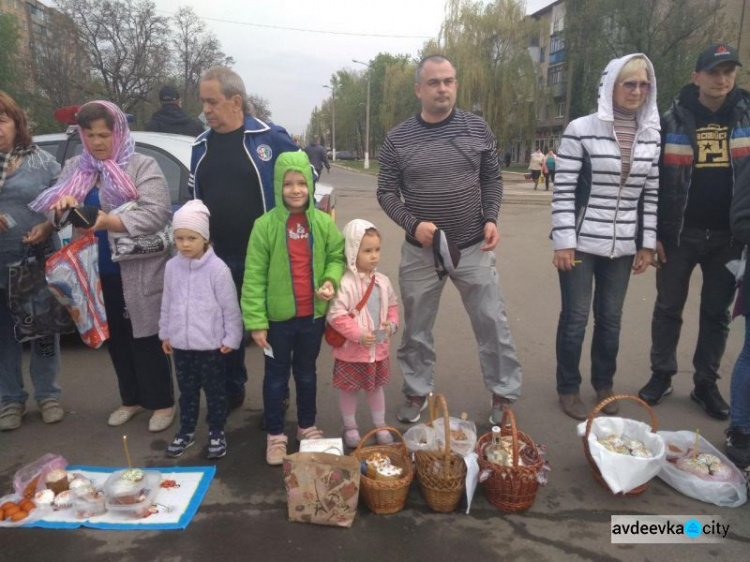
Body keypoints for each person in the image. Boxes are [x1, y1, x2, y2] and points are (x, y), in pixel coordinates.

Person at [377, 54, 523, 425]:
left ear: (455, 85)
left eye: (449, 81)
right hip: (421, 251)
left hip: (472, 244)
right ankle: (415, 390)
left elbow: (492, 179)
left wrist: (491, 217)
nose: (442, 88)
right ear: (418, 90)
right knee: (416, 328)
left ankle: (503, 394)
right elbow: (386, 193)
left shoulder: (477, 129)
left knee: (492, 321)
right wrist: (412, 224)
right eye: (434, 82)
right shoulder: (397, 139)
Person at [30, 100, 175, 432]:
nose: (97, 142)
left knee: (146, 337)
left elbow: (157, 212)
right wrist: (62, 207)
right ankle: (131, 399)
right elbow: (54, 212)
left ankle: (162, 403)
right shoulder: (75, 168)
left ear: (119, 133)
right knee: (116, 338)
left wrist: (109, 220)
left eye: (104, 134)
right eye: (91, 134)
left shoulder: (141, 165)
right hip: (95, 271)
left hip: (138, 270)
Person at [638, 44, 748, 420]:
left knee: (716, 314)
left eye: (729, 71)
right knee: (668, 308)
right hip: (679, 235)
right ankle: (662, 374)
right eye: (715, 72)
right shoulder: (671, 120)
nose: (722, 79)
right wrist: (651, 234)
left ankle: (705, 384)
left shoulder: (747, 118)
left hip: (730, 239)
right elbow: (651, 182)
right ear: (696, 77)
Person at [551, 54, 661, 420]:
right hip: (581, 243)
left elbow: (652, 192)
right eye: (629, 83)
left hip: (624, 245)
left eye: (643, 84)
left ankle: (604, 384)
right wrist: (563, 241)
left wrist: (646, 243)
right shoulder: (581, 129)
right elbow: (564, 190)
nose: (637, 91)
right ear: (611, 85)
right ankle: (568, 386)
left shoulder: (651, 133)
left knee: (611, 319)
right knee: (576, 317)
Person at [191, 66, 300, 412]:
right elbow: (196, 197)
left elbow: (304, 182)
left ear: (236, 101)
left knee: (272, 330)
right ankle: (231, 389)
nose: (206, 110)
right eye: (203, 102)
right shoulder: (201, 145)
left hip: (267, 257)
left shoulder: (271, 138)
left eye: (212, 102)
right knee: (227, 329)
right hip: (218, 257)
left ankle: (276, 391)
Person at [242, 151, 345, 465]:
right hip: (276, 322)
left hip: (311, 319)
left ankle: (306, 426)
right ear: (278, 186)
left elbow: (336, 257)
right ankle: (276, 435)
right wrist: (257, 321)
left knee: (307, 374)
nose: (296, 189)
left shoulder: (322, 224)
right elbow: (254, 275)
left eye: (302, 183)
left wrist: (330, 280)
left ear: (310, 185)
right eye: (289, 184)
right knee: (275, 377)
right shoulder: (264, 226)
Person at [160, 200, 243, 459]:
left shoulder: (218, 270)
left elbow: (230, 308)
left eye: (191, 238)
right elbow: (167, 301)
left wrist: (232, 337)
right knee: (187, 392)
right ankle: (186, 431)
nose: (185, 244)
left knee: (215, 391)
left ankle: (216, 430)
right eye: (180, 238)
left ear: (204, 238)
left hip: (210, 345)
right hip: (182, 346)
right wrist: (165, 333)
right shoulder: (172, 267)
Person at [0, 91, 63, 431]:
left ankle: (49, 395)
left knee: (43, 333)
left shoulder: (41, 161)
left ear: (16, 123)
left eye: (2, 119)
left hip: (34, 262)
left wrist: (48, 223)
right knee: (3, 338)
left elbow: (62, 202)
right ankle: (10, 400)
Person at [327, 219, 399, 448]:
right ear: (352, 251)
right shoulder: (345, 284)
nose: (374, 256)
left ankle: (380, 425)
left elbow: (394, 306)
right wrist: (358, 335)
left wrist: (392, 325)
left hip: (377, 349)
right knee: (349, 390)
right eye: (367, 251)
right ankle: (350, 427)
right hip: (353, 350)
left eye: (377, 250)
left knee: (376, 388)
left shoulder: (383, 281)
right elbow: (336, 316)